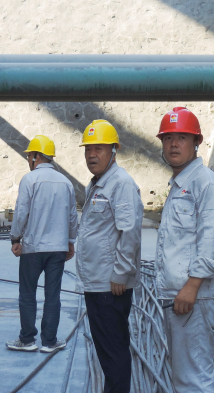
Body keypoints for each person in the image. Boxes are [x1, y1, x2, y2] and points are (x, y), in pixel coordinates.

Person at [156, 107, 214, 393]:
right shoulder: (181, 185)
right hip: (181, 295)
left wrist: (192, 286)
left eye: (182, 138)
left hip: (194, 297)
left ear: (196, 142)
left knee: (194, 379)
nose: (174, 144)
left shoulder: (205, 183)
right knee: (185, 375)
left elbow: (213, 239)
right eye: (168, 138)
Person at [76, 120, 143, 393]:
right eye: (88, 149)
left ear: (114, 151)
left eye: (99, 149)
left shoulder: (120, 184)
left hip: (110, 285)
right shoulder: (98, 184)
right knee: (107, 351)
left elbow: (130, 232)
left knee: (113, 352)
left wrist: (120, 273)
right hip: (97, 282)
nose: (92, 155)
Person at [5, 135, 78, 353]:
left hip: (33, 249)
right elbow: (72, 217)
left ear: (36, 156)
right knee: (52, 295)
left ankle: (27, 340)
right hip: (58, 249)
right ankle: (49, 341)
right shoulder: (66, 182)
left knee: (28, 294)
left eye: (29, 156)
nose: (29, 160)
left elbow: (21, 213)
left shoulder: (30, 180)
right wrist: (70, 241)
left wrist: (15, 238)